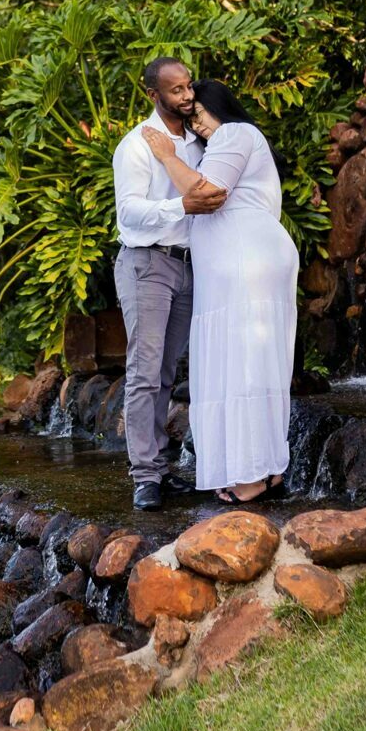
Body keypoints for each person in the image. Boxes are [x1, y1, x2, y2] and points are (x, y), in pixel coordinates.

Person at [142, 79, 297, 503]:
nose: (197, 124)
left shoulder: (235, 133)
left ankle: (254, 477)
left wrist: (167, 155)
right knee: (243, 364)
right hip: (236, 268)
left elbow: (206, 193)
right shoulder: (225, 144)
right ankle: (261, 473)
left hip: (247, 263)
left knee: (245, 365)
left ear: (219, 106)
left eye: (199, 113)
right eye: (190, 119)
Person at [112, 58, 225, 511]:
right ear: (153, 94)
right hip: (148, 264)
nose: (187, 95)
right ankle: (145, 477)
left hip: (190, 266)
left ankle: (159, 469)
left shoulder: (199, 141)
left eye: (188, 86)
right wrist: (182, 205)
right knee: (144, 372)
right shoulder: (137, 145)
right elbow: (129, 212)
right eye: (176, 90)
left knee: (164, 373)